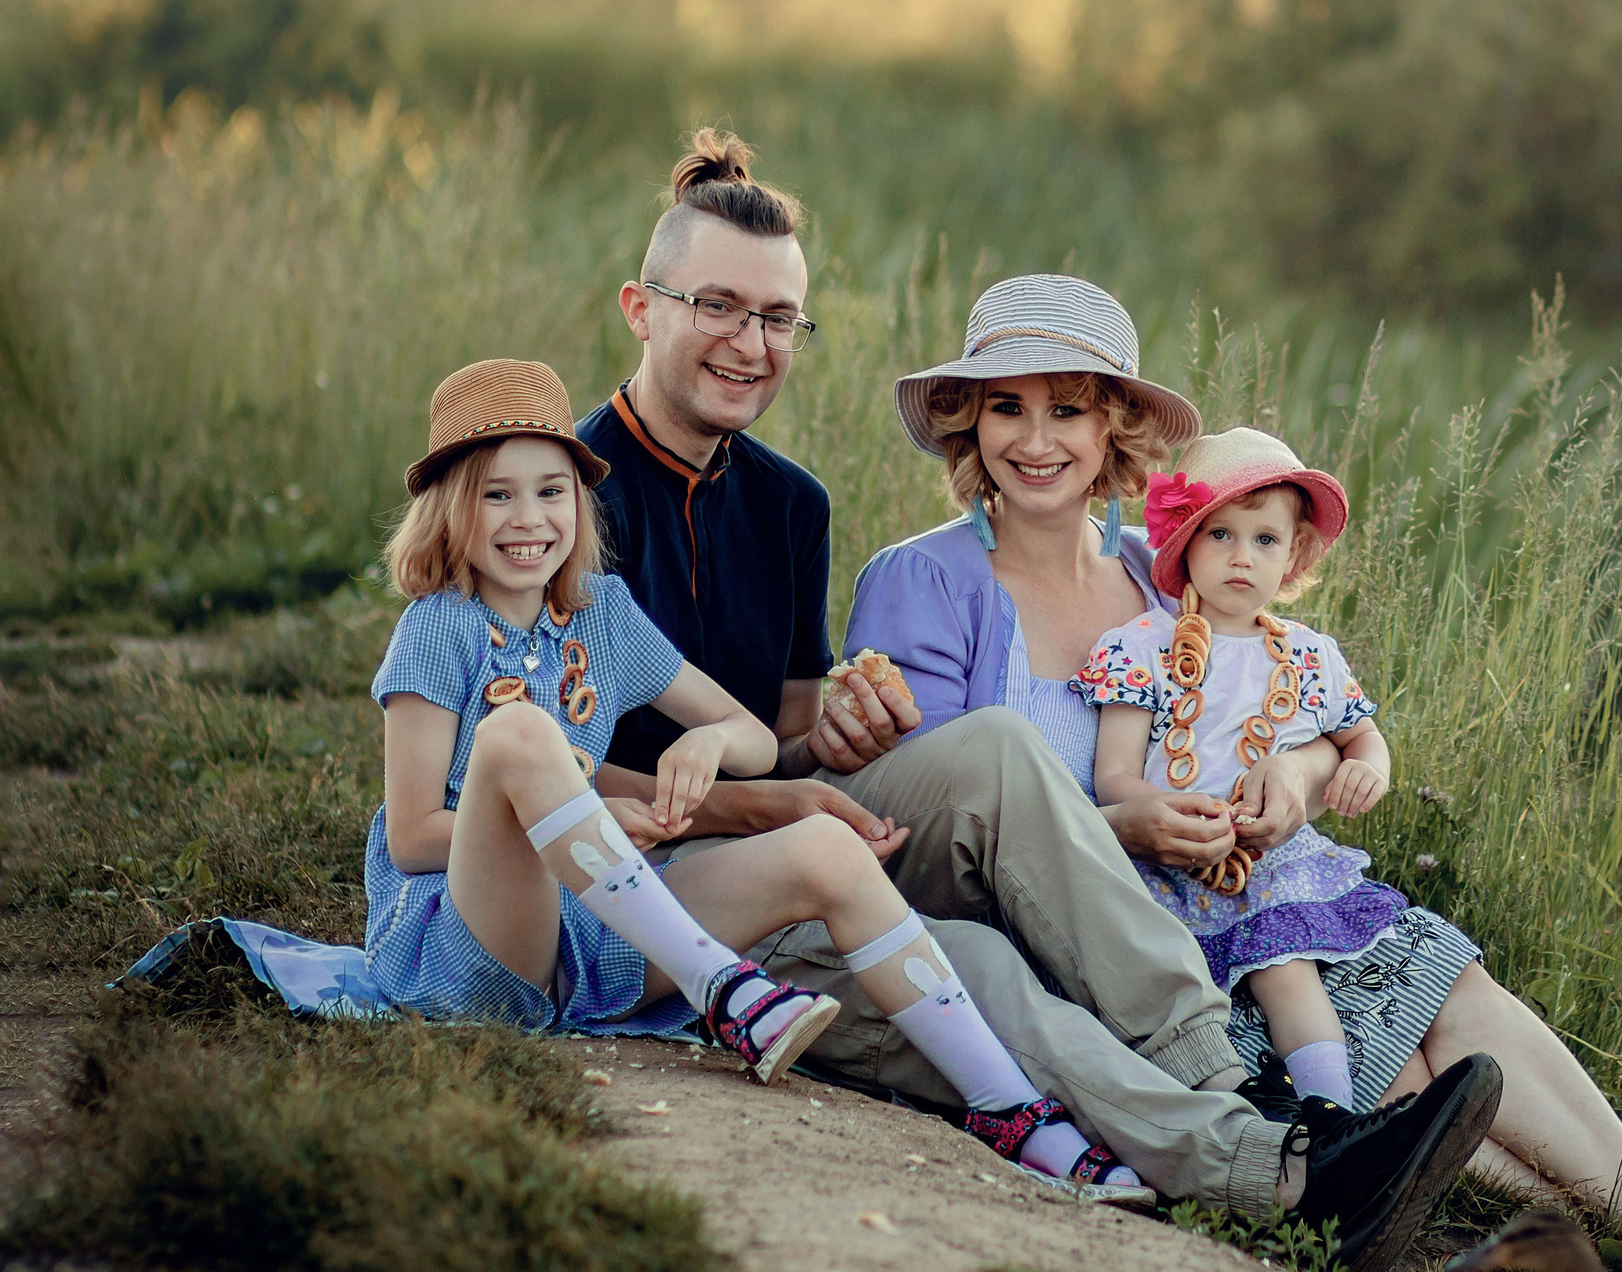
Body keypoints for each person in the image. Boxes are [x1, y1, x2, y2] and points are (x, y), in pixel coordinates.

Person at [577, 132, 1504, 1272]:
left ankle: (1249, 1102)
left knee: (996, 790)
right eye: (717, 306)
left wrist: (838, 735)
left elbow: (785, 730)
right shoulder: (558, 500)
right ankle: (1281, 1168)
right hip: (653, 894)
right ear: (640, 306)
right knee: (979, 967)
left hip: (807, 857)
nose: (749, 342)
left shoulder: (788, 504)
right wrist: (772, 804)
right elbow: (519, 777)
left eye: (776, 317)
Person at [862, 314, 1622, 1272]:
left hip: (1237, 886)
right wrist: (1128, 829)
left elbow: (1286, 695)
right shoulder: (925, 580)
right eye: (1006, 409)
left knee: (1433, 975)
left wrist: (1301, 772)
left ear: (1114, 431)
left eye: (1070, 411)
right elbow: (950, 832)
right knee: (1398, 1067)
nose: (1037, 441)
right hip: (1105, 950)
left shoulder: (1163, 566)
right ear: (970, 426)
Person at [368, 357, 1140, 1194]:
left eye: (551, 490)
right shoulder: (436, 627)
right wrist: (589, 825)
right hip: (475, 945)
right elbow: (412, 838)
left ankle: (1012, 1108)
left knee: (824, 849)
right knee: (519, 732)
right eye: (497, 494)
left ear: (580, 503)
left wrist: (705, 746)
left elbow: (756, 738)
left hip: (593, 937)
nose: (530, 519)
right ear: (451, 507)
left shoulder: (604, 611)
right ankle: (723, 986)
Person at [1076, 428, 1424, 1119]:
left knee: (1285, 967)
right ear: (1184, 542)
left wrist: (1369, 771)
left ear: (1294, 554)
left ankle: (1329, 1118)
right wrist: (1165, 808)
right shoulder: (1139, 645)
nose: (1242, 557)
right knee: (1180, 993)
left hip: (1267, 861)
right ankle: (1226, 1113)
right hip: (1170, 858)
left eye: (1265, 539)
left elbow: (1364, 739)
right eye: (1222, 535)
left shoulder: (1308, 653)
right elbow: (1114, 774)